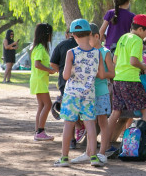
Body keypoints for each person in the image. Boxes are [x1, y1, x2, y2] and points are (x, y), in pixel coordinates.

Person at [99, 14, 146, 157]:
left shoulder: (123, 38)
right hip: (131, 80)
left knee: (115, 113)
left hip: (118, 79)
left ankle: (105, 147)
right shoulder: (137, 40)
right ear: (141, 29)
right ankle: (144, 142)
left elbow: (115, 59)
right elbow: (133, 61)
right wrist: (144, 66)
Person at [53, 20, 102, 167]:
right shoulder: (97, 53)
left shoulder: (71, 53)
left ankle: (64, 157)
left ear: (73, 35)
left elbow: (66, 76)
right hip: (89, 94)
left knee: (68, 124)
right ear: (89, 34)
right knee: (90, 125)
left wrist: (73, 70)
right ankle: (93, 156)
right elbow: (100, 74)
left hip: (72, 94)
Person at [30, 23, 57, 141]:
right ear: (46, 35)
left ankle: (38, 131)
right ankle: (40, 131)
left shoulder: (37, 47)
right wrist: (50, 70)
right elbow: (37, 64)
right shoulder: (40, 48)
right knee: (48, 104)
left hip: (38, 80)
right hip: (40, 80)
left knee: (41, 105)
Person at [50, 29, 78, 134]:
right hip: (83, 83)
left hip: (64, 82)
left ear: (67, 35)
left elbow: (52, 63)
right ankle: (81, 128)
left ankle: (72, 140)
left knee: (69, 112)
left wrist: (60, 71)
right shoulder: (86, 45)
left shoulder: (61, 45)